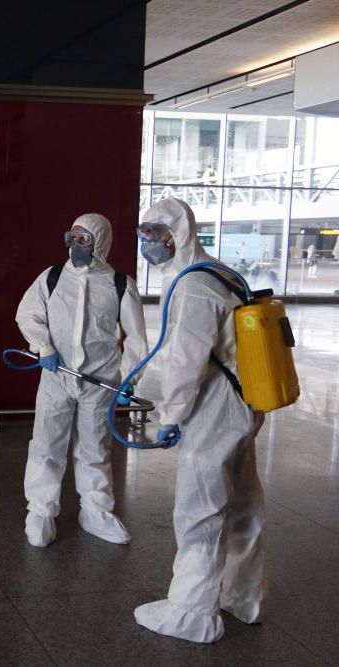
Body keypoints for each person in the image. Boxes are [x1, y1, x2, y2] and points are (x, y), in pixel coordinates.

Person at [134, 197, 266, 643]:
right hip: (247, 401)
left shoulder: (192, 286)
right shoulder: (219, 271)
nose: (149, 243)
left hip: (216, 408)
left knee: (200, 509)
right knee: (243, 502)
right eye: (144, 233)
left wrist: (171, 415)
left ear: (180, 233)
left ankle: (193, 611)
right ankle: (241, 596)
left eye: (156, 233)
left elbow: (186, 362)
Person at [15, 213, 148, 548]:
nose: (75, 245)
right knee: (46, 445)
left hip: (99, 381)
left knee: (95, 449)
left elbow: (136, 338)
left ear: (99, 243)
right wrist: (43, 345)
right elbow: (27, 313)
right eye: (71, 238)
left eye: (83, 239)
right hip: (57, 376)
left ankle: (96, 512)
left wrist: (129, 379)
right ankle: (41, 512)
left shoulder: (120, 284)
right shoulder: (52, 277)